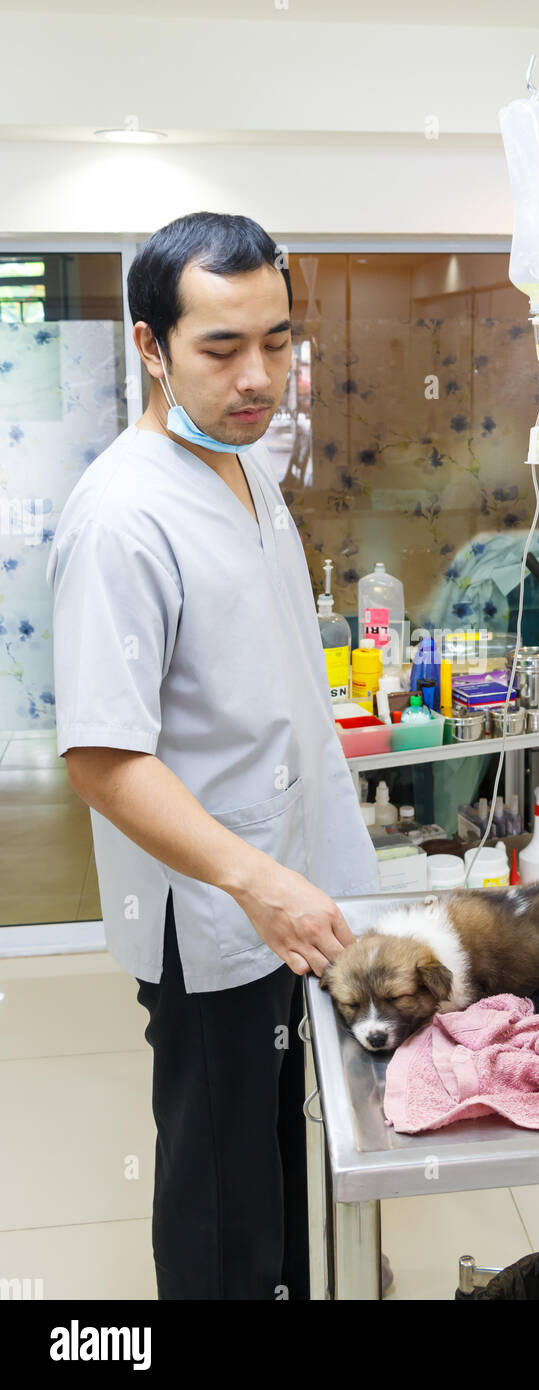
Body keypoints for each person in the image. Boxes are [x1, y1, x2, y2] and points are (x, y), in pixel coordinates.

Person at [45, 211, 379, 1300]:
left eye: (276, 342)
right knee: (222, 1196)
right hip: (213, 913)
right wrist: (251, 877)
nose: (258, 376)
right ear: (150, 345)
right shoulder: (123, 517)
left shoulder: (246, 464)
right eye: (220, 348)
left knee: (273, 1157)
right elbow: (101, 756)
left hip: (281, 891)